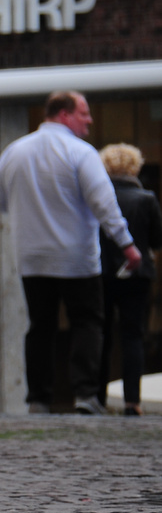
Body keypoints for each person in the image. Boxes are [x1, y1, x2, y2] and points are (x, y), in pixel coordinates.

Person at [0, 90, 144, 415]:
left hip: (32, 257)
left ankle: (38, 399)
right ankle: (85, 395)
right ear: (64, 114)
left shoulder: (14, 152)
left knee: (40, 326)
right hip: (77, 259)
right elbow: (104, 204)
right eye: (84, 113)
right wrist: (127, 246)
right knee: (87, 322)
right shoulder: (81, 153)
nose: (89, 120)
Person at [97, 143, 160, 415]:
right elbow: (157, 239)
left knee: (102, 334)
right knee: (133, 335)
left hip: (102, 272)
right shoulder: (146, 199)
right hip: (136, 274)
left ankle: (95, 397)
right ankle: (132, 401)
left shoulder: (97, 197)